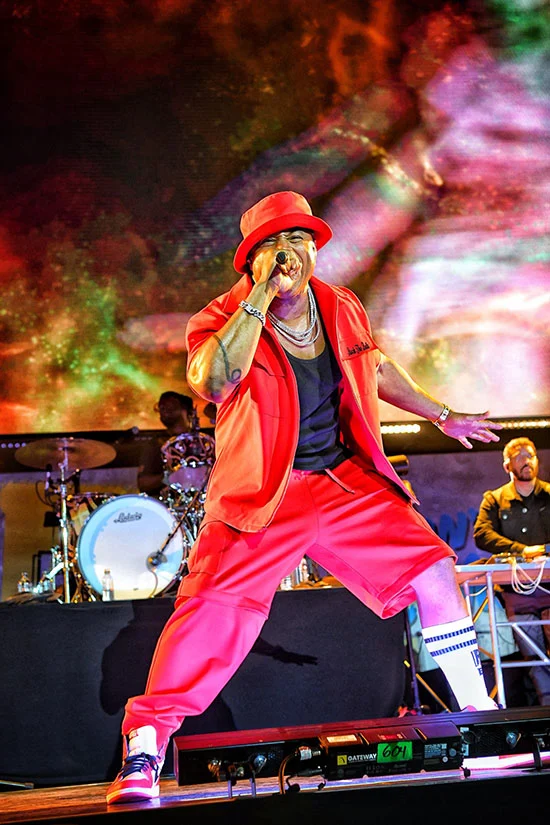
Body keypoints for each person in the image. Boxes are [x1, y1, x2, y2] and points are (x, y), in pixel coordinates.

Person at [107, 190, 501, 804]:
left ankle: (477, 717)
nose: (290, 252)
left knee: (433, 569)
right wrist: (261, 298)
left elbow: (375, 367)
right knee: (210, 610)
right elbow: (213, 380)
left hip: (344, 482)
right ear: (251, 259)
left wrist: (442, 414)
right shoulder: (218, 318)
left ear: (315, 250)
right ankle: (145, 743)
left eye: (300, 240)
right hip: (263, 492)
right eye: (274, 243)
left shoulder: (340, 305)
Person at [473, 437, 550, 704]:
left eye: (531, 455)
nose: (526, 460)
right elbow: (481, 534)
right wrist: (521, 550)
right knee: (535, 658)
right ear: (507, 464)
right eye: (519, 456)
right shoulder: (494, 499)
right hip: (519, 594)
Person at [137, 391, 194, 497]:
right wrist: (171, 476)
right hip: (168, 507)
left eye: (170, 405)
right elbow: (143, 483)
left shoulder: (203, 443)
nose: (164, 409)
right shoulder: (155, 444)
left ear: (187, 410)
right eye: (161, 407)